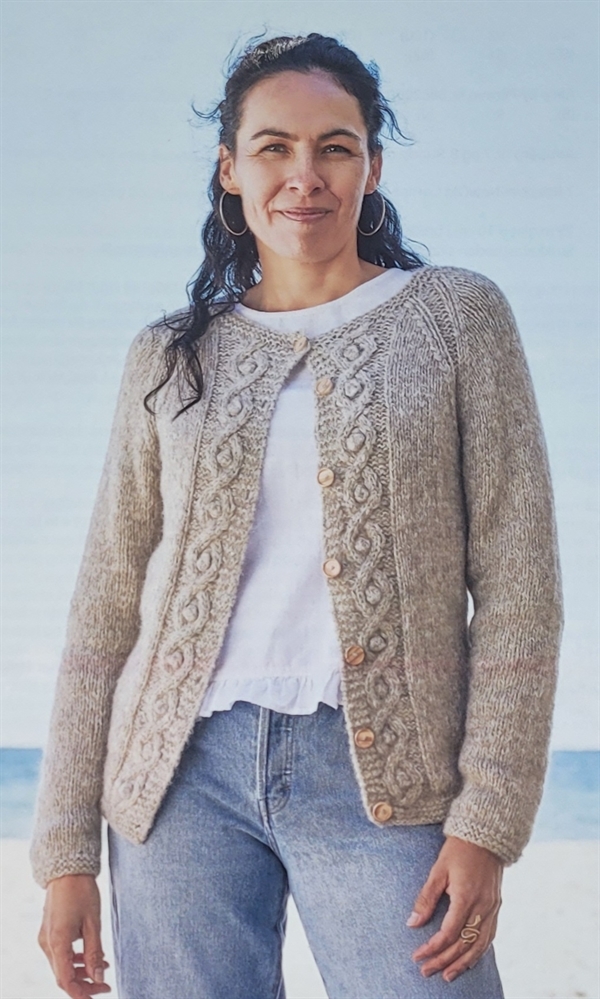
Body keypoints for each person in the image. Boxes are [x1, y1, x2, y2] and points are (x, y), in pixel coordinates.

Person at [30, 32, 563, 999]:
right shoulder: (169, 356)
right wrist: (65, 850)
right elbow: (105, 605)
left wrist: (487, 821)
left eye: (335, 147)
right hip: (175, 783)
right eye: (273, 147)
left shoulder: (456, 318)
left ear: (373, 166)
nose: (303, 175)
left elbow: (520, 587)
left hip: (385, 777)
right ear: (230, 168)